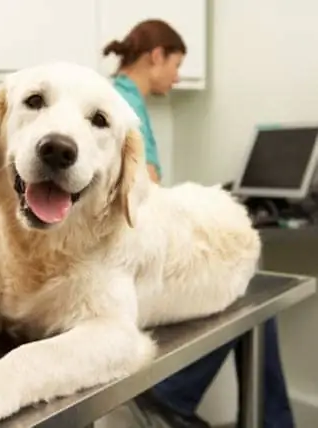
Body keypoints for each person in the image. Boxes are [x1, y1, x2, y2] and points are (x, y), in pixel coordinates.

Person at [102, 19, 295, 428]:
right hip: (126, 265)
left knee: (246, 283)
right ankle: (179, 397)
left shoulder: (117, 98)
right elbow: (143, 192)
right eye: (175, 64)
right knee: (244, 275)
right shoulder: (123, 106)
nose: (177, 76)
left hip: (124, 256)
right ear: (156, 56)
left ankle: (241, 412)